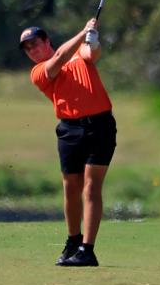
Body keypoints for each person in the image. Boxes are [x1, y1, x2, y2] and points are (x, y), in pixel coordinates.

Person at [19, 18, 116, 267]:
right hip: (69, 130)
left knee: (91, 187)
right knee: (70, 187)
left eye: (35, 43)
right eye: (27, 48)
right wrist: (83, 30)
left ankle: (87, 249)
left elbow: (90, 53)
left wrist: (92, 41)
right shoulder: (39, 72)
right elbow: (61, 57)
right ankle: (74, 239)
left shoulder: (79, 55)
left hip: (100, 127)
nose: (32, 50)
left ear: (46, 41)